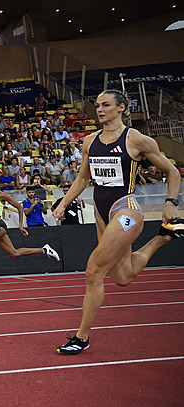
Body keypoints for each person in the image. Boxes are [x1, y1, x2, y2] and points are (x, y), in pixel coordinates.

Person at [53, 89, 183, 355]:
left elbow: (172, 171)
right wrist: (63, 203)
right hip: (101, 213)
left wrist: (171, 202)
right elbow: (82, 178)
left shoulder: (136, 139)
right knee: (123, 276)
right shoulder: (89, 141)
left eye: (106, 105)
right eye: (97, 105)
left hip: (126, 211)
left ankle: (81, 337)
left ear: (121, 107)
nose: (100, 110)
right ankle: (163, 237)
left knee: (94, 270)